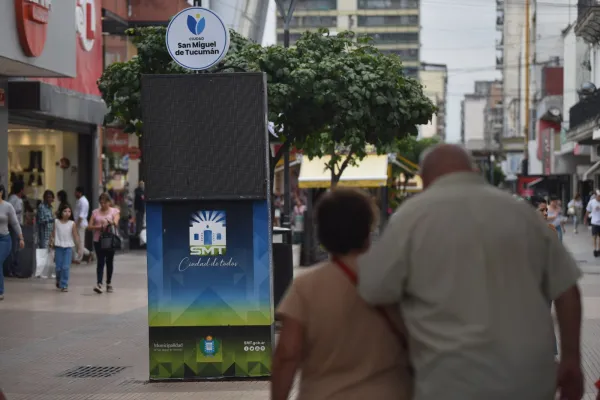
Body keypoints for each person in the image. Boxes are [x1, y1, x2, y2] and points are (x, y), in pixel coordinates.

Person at [358, 144, 583, 400]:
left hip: (449, 379)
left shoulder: (410, 218)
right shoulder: (522, 214)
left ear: (423, 178)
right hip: (527, 378)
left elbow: (372, 291)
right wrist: (571, 360)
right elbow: (568, 291)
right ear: (473, 171)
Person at [272, 188, 412, 400]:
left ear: (322, 235)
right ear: (367, 231)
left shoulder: (306, 286)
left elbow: (287, 353)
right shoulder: (397, 279)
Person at [89, 193, 120, 294]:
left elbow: (116, 222)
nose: (102, 205)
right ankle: (99, 283)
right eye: (101, 203)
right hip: (98, 239)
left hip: (110, 240)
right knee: (100, 261)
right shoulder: (95, 212)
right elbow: (89, 226)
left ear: (109, 202)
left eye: (105, 202)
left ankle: (109, 282)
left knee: (109, 261)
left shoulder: (114, 211)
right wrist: (99, 227)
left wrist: (110, 222)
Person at [50, 203, 82, 292]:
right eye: (65, 211)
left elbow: (76, 236)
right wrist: (51, 242)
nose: (67, 213)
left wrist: (79, 248)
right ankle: (59, 280)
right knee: (58, 267)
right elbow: (53, 233)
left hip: (68, 248)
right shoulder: (56, 222)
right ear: (61, 212)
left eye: (69, 211)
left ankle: (64, 284)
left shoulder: (72, 224)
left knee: (65, 267)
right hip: (58, 247)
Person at [0, 184, 24, 301]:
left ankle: (0, 291)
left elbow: (15, 223)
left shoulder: (8, 206)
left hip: (4, 239)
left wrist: (21, 238)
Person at [6, 181, 24, 277]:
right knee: (15, 248)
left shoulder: (10, 199)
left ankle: (10, 269)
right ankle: (14, 269)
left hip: (9, 225)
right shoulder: (18, 200)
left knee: (12, 248)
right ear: (21, 190)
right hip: (15, 226)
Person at [73, 187, 92, 263]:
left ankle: (79, 258)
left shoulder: (83, 201)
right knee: (77, 242)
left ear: (79, 193)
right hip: (78, 223)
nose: (74, 193)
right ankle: (88, 253)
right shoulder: (79, 201)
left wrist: (76, 225)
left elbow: (81, 215)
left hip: (80, 224)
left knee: (80, 242)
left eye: (76, 192)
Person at [585, 190, 600, 257]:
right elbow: (588, 211)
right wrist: (585, 219)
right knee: (594, 237)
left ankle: (599, 250)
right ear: (596, 195)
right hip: (594, 222)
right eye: (598, 196)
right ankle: (594, 249)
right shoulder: (591, 202)